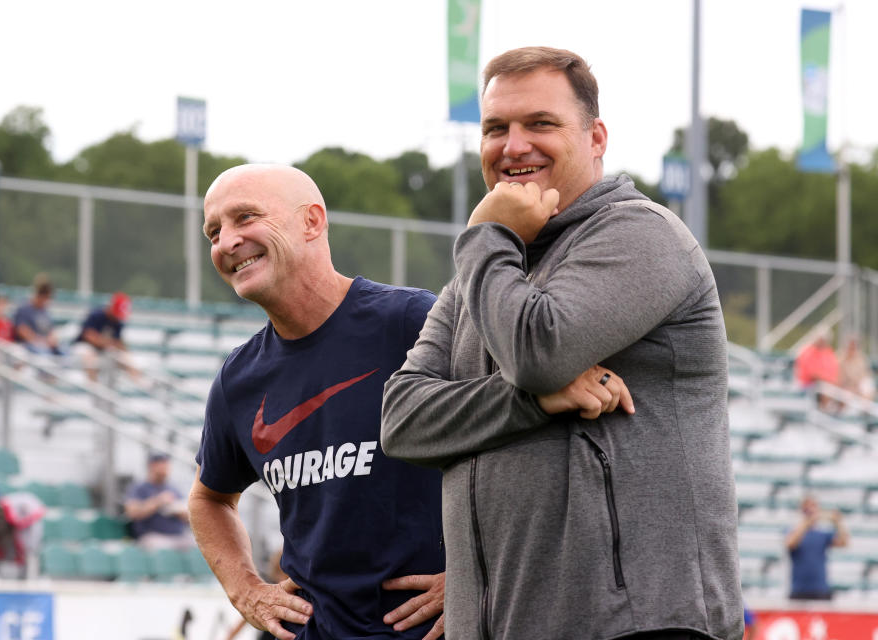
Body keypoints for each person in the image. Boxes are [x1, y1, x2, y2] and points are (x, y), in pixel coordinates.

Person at [381, 46, 743, 640]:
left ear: (596, 137)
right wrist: (531, 403)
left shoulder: (641, 234)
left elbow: (538, 353)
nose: (513, 145)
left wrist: (487, 236)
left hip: (638, 625)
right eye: (496, 128)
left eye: (540, 124)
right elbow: (402, 420)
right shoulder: (482, 270)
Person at [189, 164, 628, 640]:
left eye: (245, 217)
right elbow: (209, 499)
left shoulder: (411, 320)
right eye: (213, 231)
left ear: (312, 221)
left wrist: (474, 577)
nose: (226, 241)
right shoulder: (239, 380)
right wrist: (246, 590)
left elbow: (534, 425)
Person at [124, 453, 193, 550]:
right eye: (161, 464)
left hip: (178, 536)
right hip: (151, 536)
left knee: (199, 546)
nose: (165, 468)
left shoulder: (173, 488)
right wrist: (158, 501)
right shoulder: (139, 488)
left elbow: (189, 516)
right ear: (152, 466)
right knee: (162, 549)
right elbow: (132, 513)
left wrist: (178, 511)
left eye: (166, 464)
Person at [785, 495, 849, 600]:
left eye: (813, 506)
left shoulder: (822, 534)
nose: (810, 510)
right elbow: (790, 543)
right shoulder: (792, 531)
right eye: (807, 506)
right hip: (799, 591)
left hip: (820, 590)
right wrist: (807, 522)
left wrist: (838, 522)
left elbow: (844, 543)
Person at [71, 292, 138, 381]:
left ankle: (143, 383)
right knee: (89, 356)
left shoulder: (118, 322)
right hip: (84, 347)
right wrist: (109, 343)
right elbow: (89, 337)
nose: (117, 317)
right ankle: (94, 388)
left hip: (103, 350)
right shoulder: (97, 315)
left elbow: (118, 343)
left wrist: (115, 346)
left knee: (123, 357)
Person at [12, 274, 62, 356]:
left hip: (45, 345)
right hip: (30, 347)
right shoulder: (24, 309)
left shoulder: (45, 312)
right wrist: (43, 342)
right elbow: (23, 332)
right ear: (40, 296)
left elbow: (51, 331)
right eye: (46, 298)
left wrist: (52, 340)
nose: (47, 301)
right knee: (44, 354)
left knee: (64, 352)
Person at [838, 334, 875, 402]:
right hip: (846, 388)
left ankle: (866, 406)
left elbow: (865, 375)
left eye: (854, 346)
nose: (852, 348)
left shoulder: (861, 358)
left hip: (858, 387)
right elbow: (840, 378)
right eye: (850, 345)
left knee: (867, 385)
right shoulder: (841, 358)